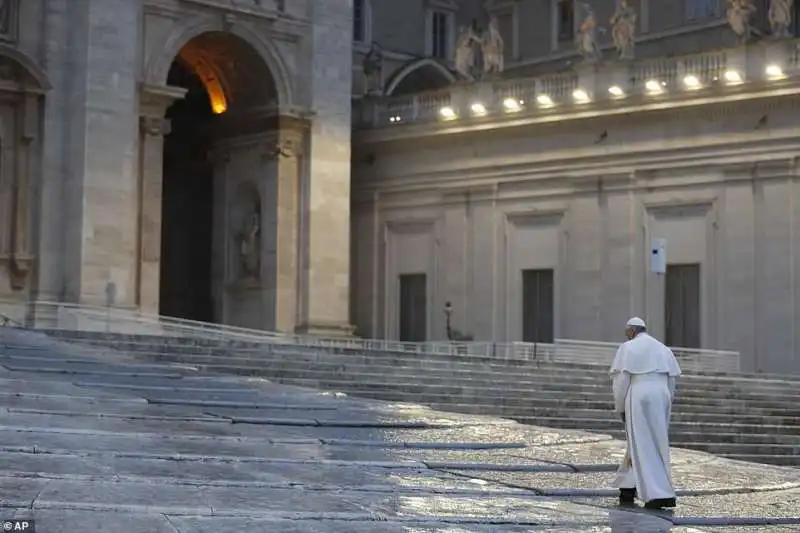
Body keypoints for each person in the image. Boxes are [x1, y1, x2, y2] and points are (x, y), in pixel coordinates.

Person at [610, 317, 681, 509]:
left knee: (640, 443)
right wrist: (666, 402)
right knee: (655, 443)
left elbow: (621, 382)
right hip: (662, 394)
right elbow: (672, 380)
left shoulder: (628, 348)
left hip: (639, 392)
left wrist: (621, 407)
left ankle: (658, 494)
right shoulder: (663, 349)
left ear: (632, 331)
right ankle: (627, 486)